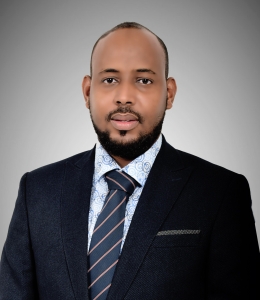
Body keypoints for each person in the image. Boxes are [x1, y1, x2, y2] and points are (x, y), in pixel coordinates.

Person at [0, 22, 259, 300]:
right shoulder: (37, 191)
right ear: (88, 92)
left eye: (144, 80)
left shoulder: (220, 193)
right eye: (109, 80)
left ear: (169, 94)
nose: (124, 97)